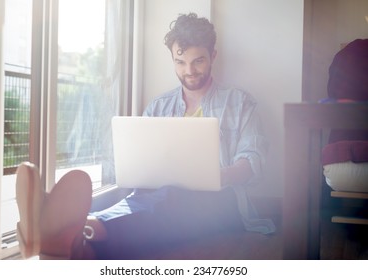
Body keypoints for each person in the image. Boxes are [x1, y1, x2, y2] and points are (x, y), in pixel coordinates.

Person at [17, 12, 275, 260]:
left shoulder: (240, 103)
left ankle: (61, 230)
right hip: (157, 197)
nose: (189, 70)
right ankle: (65, 236)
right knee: (122, 194)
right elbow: (140, 163)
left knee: (171, 197)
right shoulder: (159, 106)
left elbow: (253, 163)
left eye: (198, 61)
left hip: (221, 203)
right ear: (172, 59)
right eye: (180, 62)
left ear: (213, 56)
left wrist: (221, 175)